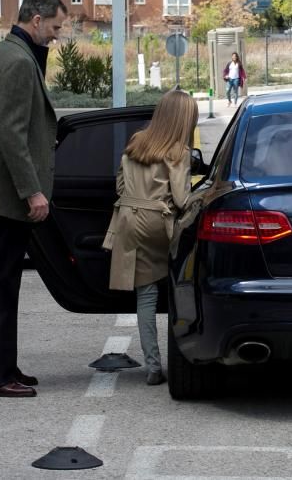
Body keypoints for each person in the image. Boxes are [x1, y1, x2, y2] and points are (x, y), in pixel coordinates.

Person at [0, 0, 67, 398]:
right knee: (2, 285)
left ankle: (4, 366)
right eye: (55, 27)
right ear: (36, 20)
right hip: (8, 194)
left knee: (1, 283)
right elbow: (12, 134)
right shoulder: (21, 63)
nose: (56, 36)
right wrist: (32, 191)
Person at [103, 89, 199, 385]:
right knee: (179, 288)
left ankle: (153, 367)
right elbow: (182, 200)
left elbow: (120, 184)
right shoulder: (178, 152)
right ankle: (186, 357)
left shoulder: (136, 142)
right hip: (159, 223)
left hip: (129, 221)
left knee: (145, 296)